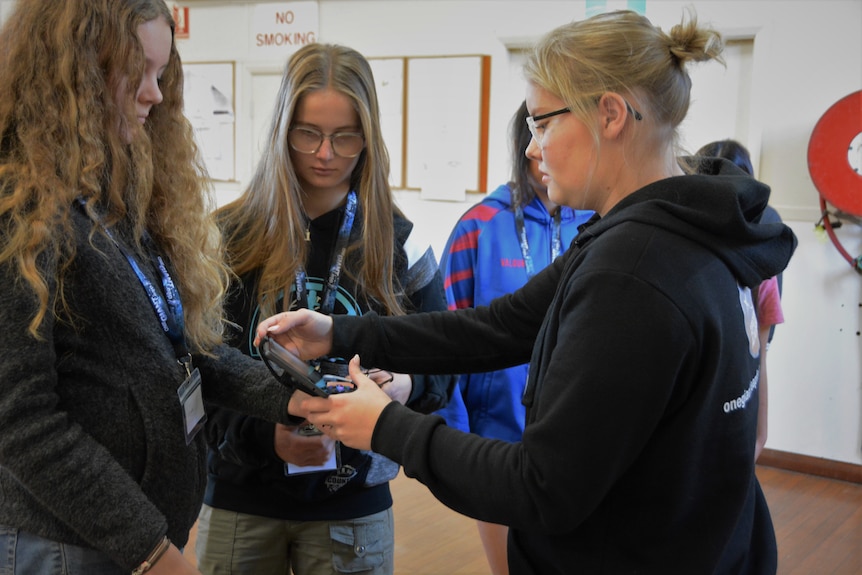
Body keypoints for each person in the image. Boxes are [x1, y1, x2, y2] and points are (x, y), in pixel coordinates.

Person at [256, 9, 798, 575]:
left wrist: (385, 427)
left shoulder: (633, 273)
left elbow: (541, 487)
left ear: (609, 115)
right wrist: (338, 332)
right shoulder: (688, 226)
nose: (533, 149)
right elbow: (500, 327)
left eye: (542, 123)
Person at [0, 1, 305, 575]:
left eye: (160, 74)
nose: (155, 95)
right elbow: (21, 423)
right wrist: (151, 552)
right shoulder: (18, 210)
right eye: (135, 72)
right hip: (67, 547)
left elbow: (179, 352)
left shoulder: (110, 196)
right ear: (76, 70)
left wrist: (293, 398)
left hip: (134, 541)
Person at [194, 43, 456, 575]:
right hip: (241, 500)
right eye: (308, 133)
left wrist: (408, 385)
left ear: (369, 136)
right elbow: (200, 369)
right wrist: (266, 435)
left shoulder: (404, 241)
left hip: (353, 505)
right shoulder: (225, 236)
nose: (325, 154)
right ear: (281, 131)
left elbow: (445, 364)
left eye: (345, 136)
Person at [433, 100, 593, 575]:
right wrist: (452, 432)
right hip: (496, 434)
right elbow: (448, 333)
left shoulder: (598, 223)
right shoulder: (479, 225)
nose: (544, 158)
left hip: (574, 433)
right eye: (536, 142)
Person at [695, 139, 785, 460]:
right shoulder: (681, 254)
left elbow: (759, 361)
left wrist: (760, 433)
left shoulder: (761, 267)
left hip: (731, 415)